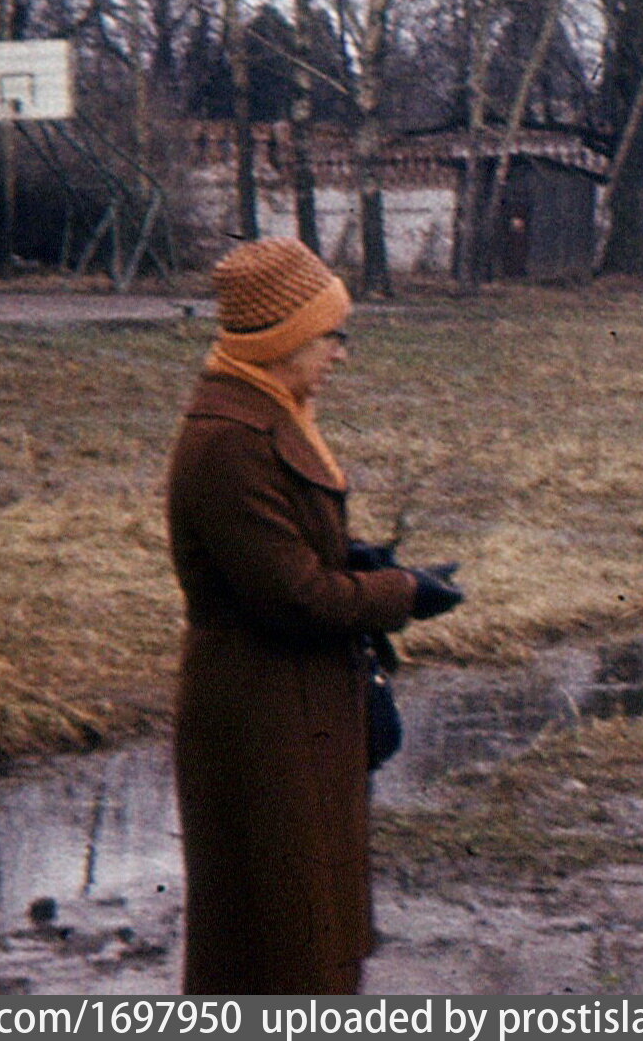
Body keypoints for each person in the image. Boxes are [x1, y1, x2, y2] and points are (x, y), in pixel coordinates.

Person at [165, 236, 466, 994]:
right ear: (284, 339)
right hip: (260, 710)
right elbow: (293, 596)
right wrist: (405, 594)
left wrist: (359, 557)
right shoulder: (229, 442)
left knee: (308, 920)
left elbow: (290, 550)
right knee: (275, 935)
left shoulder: (269, 415)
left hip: (296, 703)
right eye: (332, 335)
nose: (342, 353)